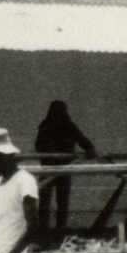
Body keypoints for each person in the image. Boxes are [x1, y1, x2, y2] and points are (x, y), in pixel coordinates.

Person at [34, 101, 98, 236]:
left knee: (61, 202)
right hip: (49, 168)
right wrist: (51, 154)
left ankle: (60, 231)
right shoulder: (45, 125)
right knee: (45, 202)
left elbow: (81, 138)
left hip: (63, 168)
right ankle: (44, 231)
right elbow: (39, 145)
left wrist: (90, 148)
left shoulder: (68, 125)